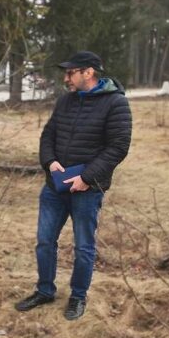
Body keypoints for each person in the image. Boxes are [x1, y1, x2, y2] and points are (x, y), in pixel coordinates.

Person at [15, 51, 132, 320]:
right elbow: (48, 134)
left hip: (87, 190)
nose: (66, 78)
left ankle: (78, 296)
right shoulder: (66, 101)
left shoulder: (115, 104)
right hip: (55, 187)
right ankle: (44, 291)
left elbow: (118, 148)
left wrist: (87, 178)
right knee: (44, 241)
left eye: (71, 73)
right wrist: (50, 161)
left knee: (83, 247)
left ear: (88, 72)